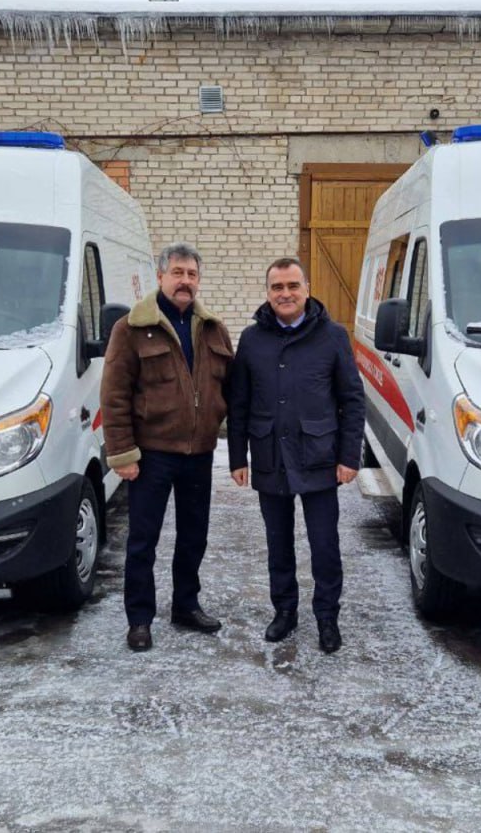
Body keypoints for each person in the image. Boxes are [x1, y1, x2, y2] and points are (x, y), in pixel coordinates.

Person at [227, 257, 366, 654]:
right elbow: (239, 402)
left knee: (324, 545)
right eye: (277, 287)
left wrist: (349, 457)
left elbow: (352, 400)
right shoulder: (252, 339)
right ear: (267, 292)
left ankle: (327, 617)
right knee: (278, 543)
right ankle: (285, 611)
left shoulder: (333, 336)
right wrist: (238, 457)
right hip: (270, 456)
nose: (285, 294)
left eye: (292, 285)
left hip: (319, 457)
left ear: (307, 288)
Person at [101, 242, 234, 652]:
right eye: (177, 273)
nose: (185, 281)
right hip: (152, 454)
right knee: (143, 540)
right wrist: (123, 454)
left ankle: (185, 605)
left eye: (191, 274)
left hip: (199, 453)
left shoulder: (213, 329)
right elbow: (114, 396)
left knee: (194, 536)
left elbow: (231, 390)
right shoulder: (130, 329)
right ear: (160, 277)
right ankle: (140, 619)